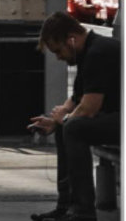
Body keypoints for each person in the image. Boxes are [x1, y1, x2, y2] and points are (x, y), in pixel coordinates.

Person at [28, 12, 121, 221]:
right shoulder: (88, 51)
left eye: (58, 50)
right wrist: (55, 121)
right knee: (68, 126)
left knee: (73, 128)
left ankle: (83, 212)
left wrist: (65, 119)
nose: (58, 57)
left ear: (71, 39)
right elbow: (77, 97)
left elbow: (88, 108)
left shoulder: (98, 53)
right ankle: (66, 207)